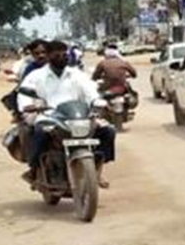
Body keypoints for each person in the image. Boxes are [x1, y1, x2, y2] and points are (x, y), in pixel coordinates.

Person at [17, 40, 116, 188]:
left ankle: (97, 169)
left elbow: (90, 90)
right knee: (40, 133)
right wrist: (27, 105)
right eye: (57, 55)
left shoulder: (76, 74)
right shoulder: (36, 76)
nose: (62, 58)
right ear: (49, 56)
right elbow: (24, 94)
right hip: (49, 116)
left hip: (78, 115)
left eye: (64, 55)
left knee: (108, 131)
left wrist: (97, 101)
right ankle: (34, 168)